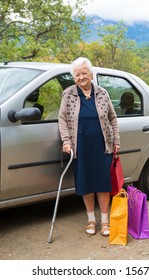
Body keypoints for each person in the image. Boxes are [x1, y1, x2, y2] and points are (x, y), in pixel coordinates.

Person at [58, 57, 120, 237]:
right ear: (74, 77)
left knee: (102, 184)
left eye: (84, 73)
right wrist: (66, 141)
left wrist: (116, 140)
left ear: (91, 74)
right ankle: (91, 219)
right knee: (86, 184)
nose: (81, 77)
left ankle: (105, 220)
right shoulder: (68, 94)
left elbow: (113, 118)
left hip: (102, 146)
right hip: (80, 146)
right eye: (77, 74)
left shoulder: (102, 93)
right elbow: (62, 119)